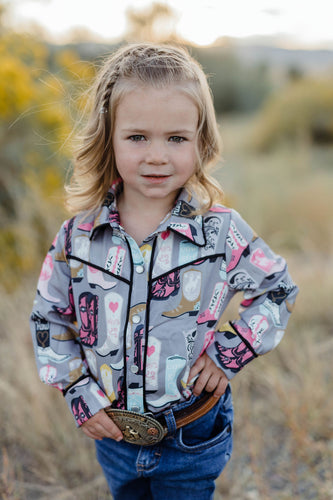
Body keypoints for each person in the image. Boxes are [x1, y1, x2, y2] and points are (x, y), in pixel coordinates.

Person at [30, 43, 298, 500]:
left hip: (193, 431)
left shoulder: (221, 231)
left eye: (176, 138)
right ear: (108, 138)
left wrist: (227, 354)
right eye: (137, 137)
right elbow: (49, 317)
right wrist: (77, 390)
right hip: (112, 432)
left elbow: (278, 289)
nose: (157, 156)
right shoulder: (78, 236)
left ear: (201, 142)